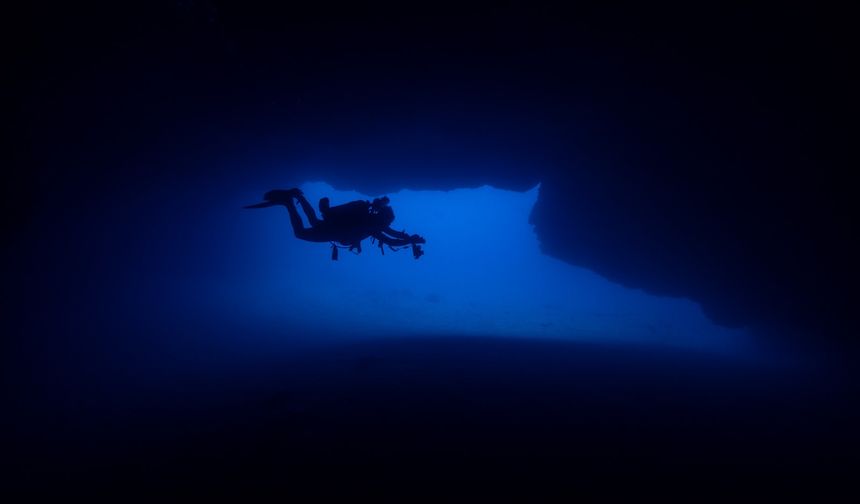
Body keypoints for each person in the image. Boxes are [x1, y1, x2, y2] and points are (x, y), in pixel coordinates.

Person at [245, 188, 426, 259]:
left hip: (333, 228)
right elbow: (392, 239)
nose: (388, 224)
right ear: (384, 218)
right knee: (301, 232)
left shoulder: (373, 223)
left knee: (314, 221)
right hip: (334, 232)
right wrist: (411, 240)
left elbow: (393, 235)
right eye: (388, 221)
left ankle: (296, 197)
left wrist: (411, 239)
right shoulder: (373, 226)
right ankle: (288, 202)